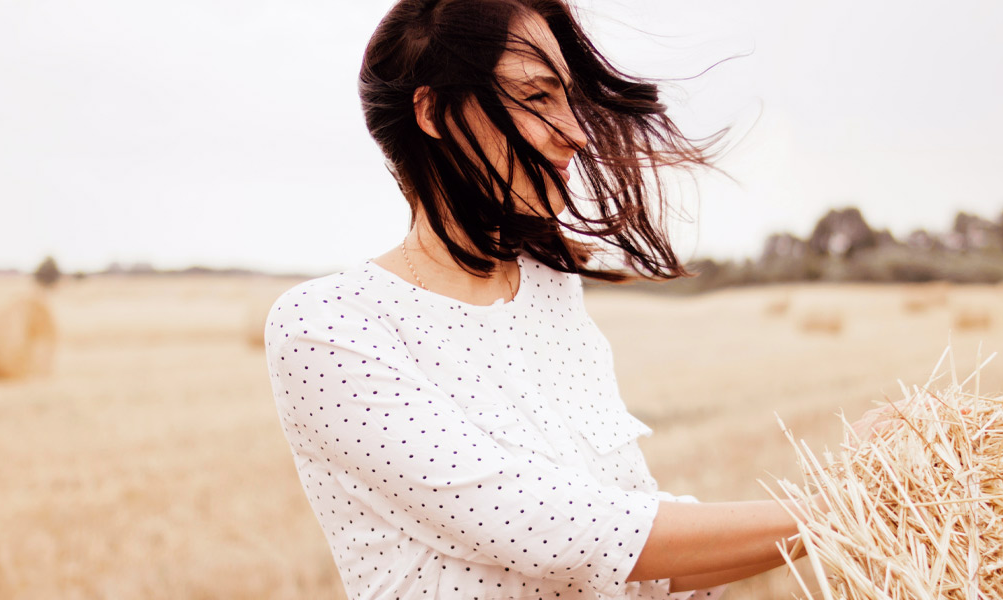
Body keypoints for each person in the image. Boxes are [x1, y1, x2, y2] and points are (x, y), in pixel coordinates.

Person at [264, 0, 837, 597]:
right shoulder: (328, 326)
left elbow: (634, 556)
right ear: (433, 111)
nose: (578, 133)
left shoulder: (549, 288)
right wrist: (837, 507)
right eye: (537, 98)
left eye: (567, 97)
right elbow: (561, 531)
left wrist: (853, 513)